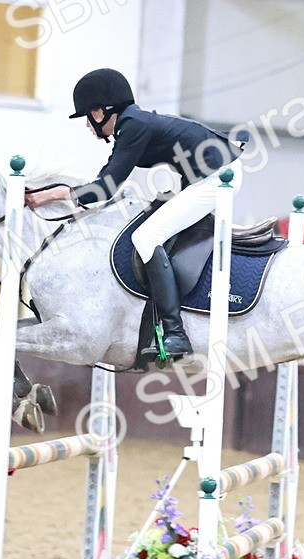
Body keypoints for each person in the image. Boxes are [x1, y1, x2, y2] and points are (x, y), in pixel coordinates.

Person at [27, 68, 242, 360]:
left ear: (101, 110)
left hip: (218, 176)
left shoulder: (133, 125)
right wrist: (64, 191)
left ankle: (175, 332)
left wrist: (54, 194)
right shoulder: (131, 125)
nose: (88, 126)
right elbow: (105, 181)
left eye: (88, 118)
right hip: (207, 174)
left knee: (146, 236)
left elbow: (105, 189)